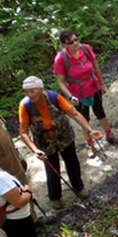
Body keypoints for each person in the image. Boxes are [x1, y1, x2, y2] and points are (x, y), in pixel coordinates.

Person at [18, 76, 103, 209]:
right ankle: (55, 197)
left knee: (72, 162)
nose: (29, 94)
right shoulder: (25, 106)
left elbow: (74, 114)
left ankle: (78, 187)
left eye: (32, 90)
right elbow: (23, 132)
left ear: (41, 89)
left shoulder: (53, 97)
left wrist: (89, 129)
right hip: (45, 142)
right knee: (52, 169)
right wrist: (35, 150)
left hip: (64, 136)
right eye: (26, 91)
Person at [54, 29, 118, 158]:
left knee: (100, 112)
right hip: (77, 94)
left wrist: (102, 83)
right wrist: (70, 96)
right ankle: (90, 144)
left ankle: (109, 135)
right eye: (70, 42)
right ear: (64, 45)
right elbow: (61, 82)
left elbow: (95, 66)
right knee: (84, 119)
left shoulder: (85, 49)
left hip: (93, 87)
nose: (75, 43)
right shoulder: (61, 59)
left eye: (76, 39)